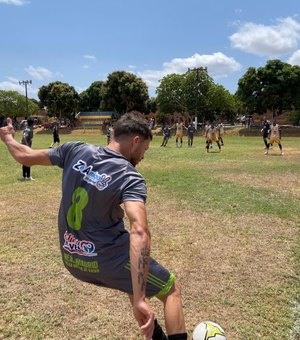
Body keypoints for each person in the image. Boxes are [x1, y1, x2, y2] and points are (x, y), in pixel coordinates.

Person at [0, 113, 187, 340]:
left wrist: (9, 138)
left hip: (73, 260)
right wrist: (140, 299)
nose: (143, 156)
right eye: (145, 149)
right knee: (171, 290)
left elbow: (25, 156)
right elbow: (139, 230)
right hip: (106, 260)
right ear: (135, 141)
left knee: (131, 276)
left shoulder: (75, 150)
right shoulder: (129, 176)